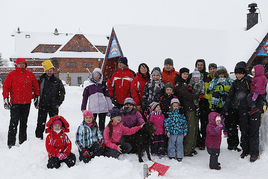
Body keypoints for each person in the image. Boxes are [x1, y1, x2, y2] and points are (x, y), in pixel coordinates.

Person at [222, 61, 260, 162]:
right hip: (242, 110)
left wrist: (257, 106)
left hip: (251, 109)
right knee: (243, 130)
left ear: (244, 72)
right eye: (237, 73)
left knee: (252, 131)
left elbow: (257, 92)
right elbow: (230, 96)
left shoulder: (249, 80)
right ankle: (245, 149)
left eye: (240, 73)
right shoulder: (235, 83)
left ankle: (254, 152)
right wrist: (225, 107)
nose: (238, 75)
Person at [2, 58, 40, 148]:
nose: (22, 65)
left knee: (24, 123)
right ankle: (11, 143)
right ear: (16, 64)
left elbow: (35, 86)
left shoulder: (30, 74)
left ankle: (23, 142)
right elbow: (6, 87)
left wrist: (37, 95)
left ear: (25, 64)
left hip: (26, 103)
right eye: (20, 63)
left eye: (23, 63)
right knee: (13, 123)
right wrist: (6, 97)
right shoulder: (11, 75)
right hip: (15, 103)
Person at [35, 60, 65, 140]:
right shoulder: (41, 80)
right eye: (48, 70)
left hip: (53, 106)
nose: (49, 72)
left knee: (55, 123)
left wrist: (59, 103)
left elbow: (62, 92)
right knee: (41, 122)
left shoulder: (57, 80)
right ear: (45, 71)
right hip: (42, 105)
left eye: (50, 70)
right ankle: (38, 138)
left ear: (53, 71)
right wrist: (36, 103)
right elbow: (36, 92)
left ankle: (55, 136)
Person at [175, 67, 200, 156]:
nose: (185, 75)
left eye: (186, 74)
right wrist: (197, 96)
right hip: (187, 109)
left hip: (193, 108)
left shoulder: (188, 82)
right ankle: (187, 150)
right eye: (183, 74)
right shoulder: (179, 84)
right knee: (190, 129)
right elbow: (186, 95)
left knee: (195, 128)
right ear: (181, 74)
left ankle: (192, 147)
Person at [81, 68, 113, 133]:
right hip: (93, 108)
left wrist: (110, 107)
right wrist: (83, 107)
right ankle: (93, 136)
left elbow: (107, 97)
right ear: (92, 75)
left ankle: (101, 137)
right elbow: (85, 97)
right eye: (95, 74)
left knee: (102, 125)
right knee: (92, 124)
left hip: (102, 108)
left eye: (98, 75)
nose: (96, 76)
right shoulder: (88, 85)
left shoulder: (103, 84)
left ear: (100, 76)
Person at [164, 98, 187, 162]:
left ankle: (179, 155)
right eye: (174, 106)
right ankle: (171, 155)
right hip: (172, 132)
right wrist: (168, 131)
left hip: (180, 132)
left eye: (177, 106)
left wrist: (185, 130)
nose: (175, 107)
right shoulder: (170, 115)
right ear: (171, 107)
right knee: (171, 144)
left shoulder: (181, 115)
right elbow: (167, 123)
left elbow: (184, 123)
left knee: (179, 144)